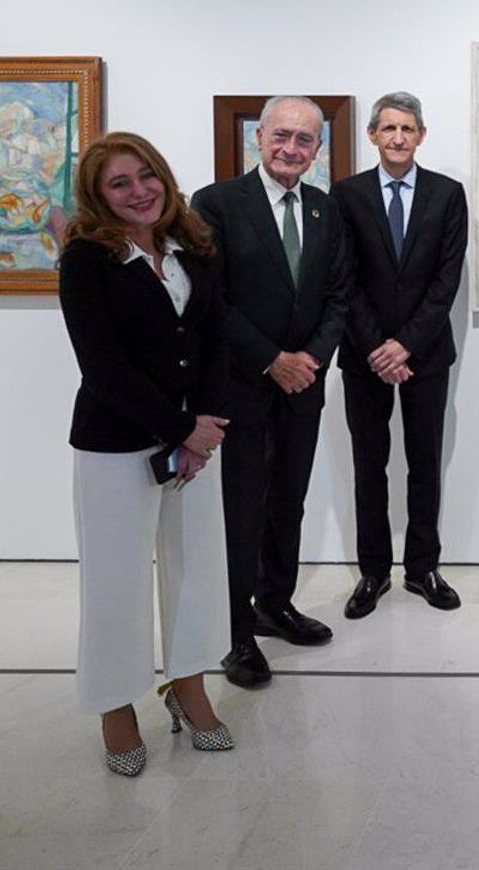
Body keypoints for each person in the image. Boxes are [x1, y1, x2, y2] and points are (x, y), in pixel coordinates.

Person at [58, 132, 235, 776]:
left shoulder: (196, 245)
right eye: (120, 184)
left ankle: (188, 687)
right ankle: (115, 706)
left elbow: (216, 338)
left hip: (195, 440)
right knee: (116, 579)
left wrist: (206, 427)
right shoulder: (86, 258)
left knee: (195, 571)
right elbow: (101, 365)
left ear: (164, 176)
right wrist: (180, 428)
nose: (139, 191)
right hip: (116, 444)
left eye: (146, 176)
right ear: (98, 197)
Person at [190, 96, 351, 688]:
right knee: (241, 510)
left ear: (317, 148)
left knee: (289, 501)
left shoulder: (323, 210)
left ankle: (273, 605)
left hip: (302, 387)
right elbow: (212, 300)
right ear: (259, 137)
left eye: (304, 140)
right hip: (241, 389)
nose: (291, 149)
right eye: (281, 135)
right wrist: (271, 361)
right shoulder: (216, 204)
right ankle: (235, 634)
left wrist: (308, 360)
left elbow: (339, 295)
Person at [333, 91, 469, 618]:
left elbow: (446, 279)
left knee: (423, 462)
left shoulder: (446, 194)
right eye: (387, 128)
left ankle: (422, 568)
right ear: (372, 135)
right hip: (363, 355)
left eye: (407, 129)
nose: (397, 137)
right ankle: (373, 572)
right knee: (369, 464)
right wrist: (377, 347)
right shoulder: (345, 196)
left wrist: (406, 343)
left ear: (421, 135)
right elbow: (342, 278)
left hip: (426, 353)